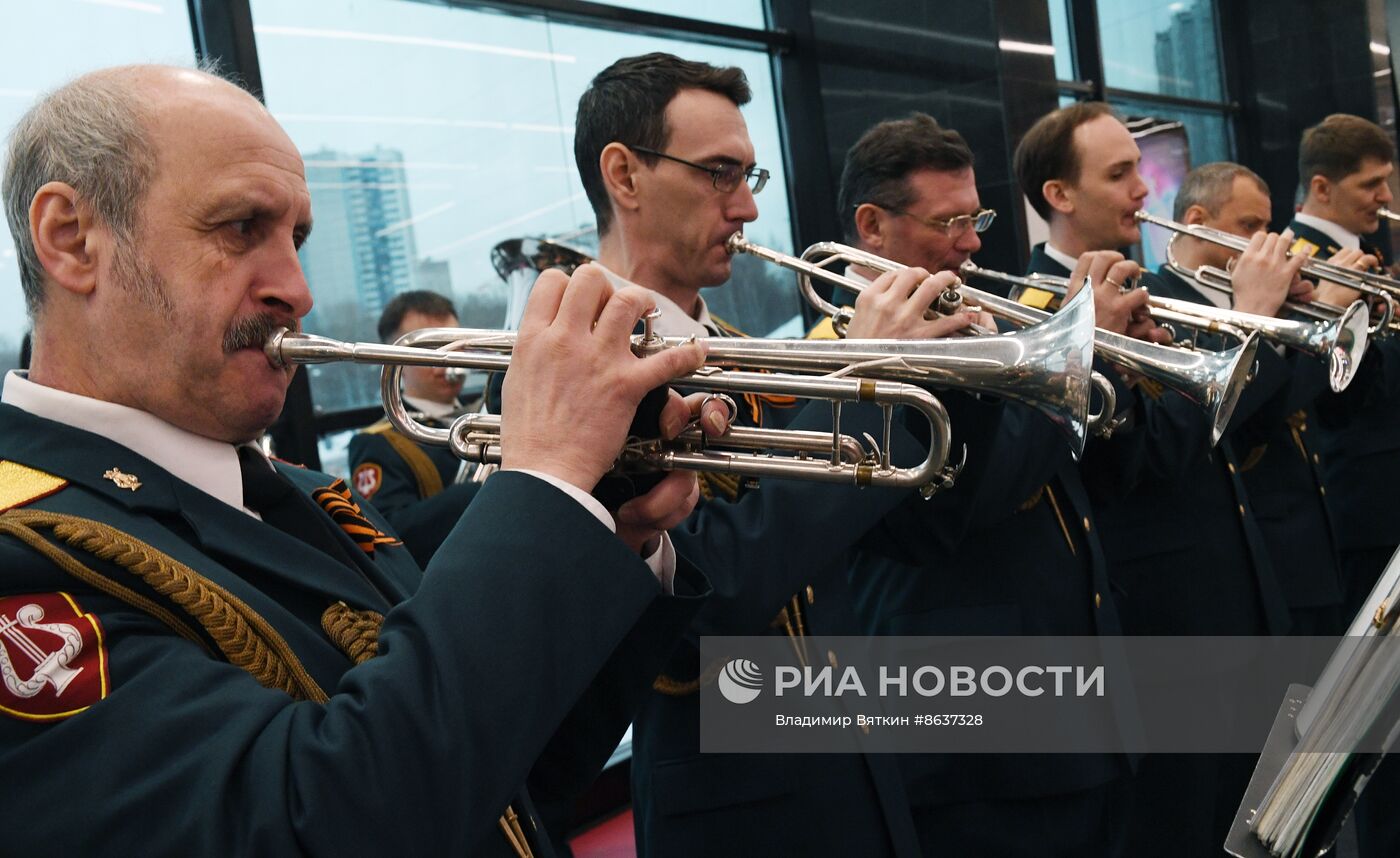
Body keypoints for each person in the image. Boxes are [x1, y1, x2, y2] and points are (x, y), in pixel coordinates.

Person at [0, 63, 728, 855]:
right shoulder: (24, 553)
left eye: (298, 238)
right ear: (72, 240)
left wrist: (608, 529)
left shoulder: (306, 495)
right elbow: (319, 825)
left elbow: (501, 779)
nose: (298, 288)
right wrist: (547, 487)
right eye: (240, 228)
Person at [573, 53, 992, 857]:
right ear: (624, 175)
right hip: (736, 808)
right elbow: (706, 598)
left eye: (751, 176)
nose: (747, 211)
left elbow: (898, 541)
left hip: (858, 769)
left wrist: (956, 372)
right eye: (719, 175)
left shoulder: (744, 350)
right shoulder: (567, 367)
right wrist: (860, 375)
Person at [839, 112, 1135, 856]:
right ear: (872, 226)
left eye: (978, 217)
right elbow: (969, 502)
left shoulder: (974, 324)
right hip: (976, 741)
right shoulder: (835, 357)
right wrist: (1070, 355)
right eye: (950, 222)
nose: (973, 242)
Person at [1015, 103, 1306, 855]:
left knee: (1264, 831)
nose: (1145, 190)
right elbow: (1146, 457)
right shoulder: (1035, 313)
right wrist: (1248, 323)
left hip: (1234, 612)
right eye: (1119, 174)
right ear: (1060, 195)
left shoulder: (1149, 286)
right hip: (1163, 638)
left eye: (1139, 169)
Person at [1285, 113, 1400, 858]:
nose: (1386, 196)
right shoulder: (1301, 264)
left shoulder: (1367, 258)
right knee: (1373, 716)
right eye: (1372, 183)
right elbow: (1332, 402)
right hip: (1362, 512)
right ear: (1322, 186)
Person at [348, 290, 482, 565]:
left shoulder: (483, 413)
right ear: (395, 360)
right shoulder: (377, 442)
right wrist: (484, 491)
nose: (450, 359)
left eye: (458, 345)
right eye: (432, 348)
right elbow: (390, 532)